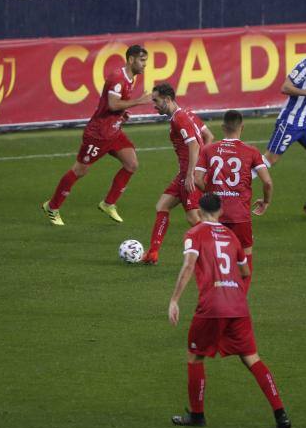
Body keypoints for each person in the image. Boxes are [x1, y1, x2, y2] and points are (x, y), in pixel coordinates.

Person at [168, 193, 291, 428]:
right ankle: (281, 414)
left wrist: (174, 300)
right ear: (220, 211)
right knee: (252, 358)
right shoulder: (231, 236)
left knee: (195, 357)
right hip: (238, 306)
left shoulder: (194, 234)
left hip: (211, 306)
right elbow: (245, 271)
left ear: (199, 211)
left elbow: (189, 265)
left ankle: (197, 416)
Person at [42, 45, 152, 226]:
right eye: (142, 60)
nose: (144, 65)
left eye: (145, 61)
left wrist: (123, 113)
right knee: (80, 170)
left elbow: (116, 107)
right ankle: (52, 207)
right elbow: (112, 105)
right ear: (131, 60)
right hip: (98, 134)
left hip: (114, 132)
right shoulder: (118, 78)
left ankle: (108, 203)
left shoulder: (129, 78)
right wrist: (138, 102)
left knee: (131, 164)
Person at [194, 110, 272, 290]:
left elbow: (197, 179)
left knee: (215, 258)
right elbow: (267, 182)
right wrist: (266, 201)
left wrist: (212, 193)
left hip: (215, 216)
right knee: (245, 259)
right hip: (240, 216)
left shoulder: (208, 149)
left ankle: (215, 295)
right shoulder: (251, 151)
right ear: (242, 127)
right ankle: (240, 300)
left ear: (223, 127)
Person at [142, 83, 214, 265]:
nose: (154, 105)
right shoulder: (187, 114)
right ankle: (153, 253)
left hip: (189, 174)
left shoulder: (179, 119)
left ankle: (215, 249)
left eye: (156, 101)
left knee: (193, 217)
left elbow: (194, 145)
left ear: (167, 100)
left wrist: (192, 172)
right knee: (162, 205)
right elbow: (209, 136)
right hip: (187, 172)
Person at [263, 35, 306, 218]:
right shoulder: (304, 66)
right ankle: (229, 189)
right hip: (289, 122)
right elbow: (285, 87)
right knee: (268, 161)